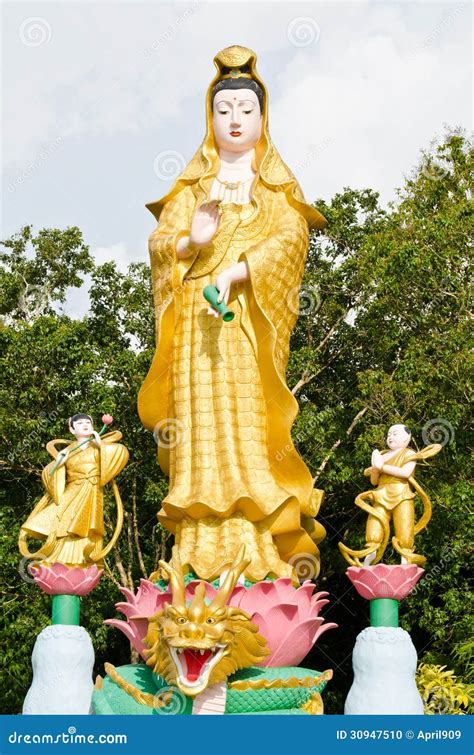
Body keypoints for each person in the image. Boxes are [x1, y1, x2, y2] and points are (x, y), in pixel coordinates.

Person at [138, 45, 328, 582]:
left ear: (263, 118)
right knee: (199, 432)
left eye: (246, 109)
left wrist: (238, 271)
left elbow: (291, 241)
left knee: (246, 424)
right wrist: (187, 241)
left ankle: (256, 552)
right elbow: (159, 243)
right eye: (224, 111)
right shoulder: (194, 186)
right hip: (195, 325)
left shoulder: (275, 188)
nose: (235, 120)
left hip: (243, 322)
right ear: (210, 118)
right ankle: (196, 552)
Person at [19, 413, 128, 567]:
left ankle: (85, 558)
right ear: (72, 429)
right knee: (65, 523)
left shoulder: (100, 445)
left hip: (92, 491)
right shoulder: (68, 451)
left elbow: (120, 453)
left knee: (89, 525)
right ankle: (60, 559)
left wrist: (100, 445)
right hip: (73, 491)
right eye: (80, 423)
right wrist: (59, 463)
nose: (85, 425)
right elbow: (49, 474)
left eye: (88, 423)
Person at [338, 424, 442, 566]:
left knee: (405, 535)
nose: (390, 437)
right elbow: (374, 481)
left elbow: (405, 473)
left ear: (406, 438)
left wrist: (382, 467)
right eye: (388, 435)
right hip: (380, 494)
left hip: (403, 495)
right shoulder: (382, 456)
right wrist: (375, 469)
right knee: (374, 530)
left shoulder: (409, 454)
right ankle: (367, 563)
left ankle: (405, 564)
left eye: (394, 434)